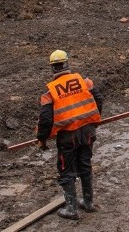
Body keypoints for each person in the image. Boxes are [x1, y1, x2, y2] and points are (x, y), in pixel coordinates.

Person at [37, 50, 103, 220]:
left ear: (53, 68)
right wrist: (94, 121)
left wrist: (42, 139)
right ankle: (88, 203)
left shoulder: (50, 92)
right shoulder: (84, 81)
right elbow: (98, 99)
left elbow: (45, 119)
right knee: (85, 165)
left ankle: (72, 208)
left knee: (67, 170)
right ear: (67, 64)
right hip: (87, 131)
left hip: (67, 136)